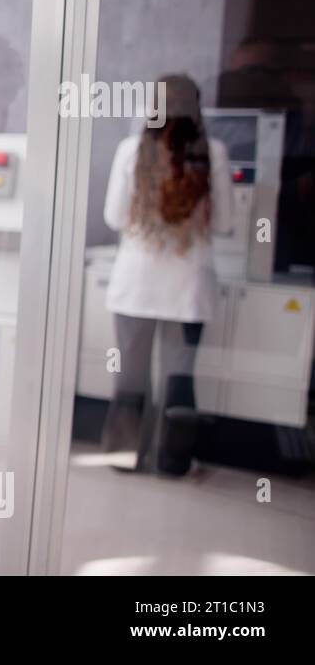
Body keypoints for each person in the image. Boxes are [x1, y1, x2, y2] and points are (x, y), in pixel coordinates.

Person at [101, 73, 233, 474]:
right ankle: (173, 463)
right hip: (188, 288)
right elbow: (225, 223)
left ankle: (122, 457)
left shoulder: (131, 151)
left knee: (130, 376)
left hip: (135, 285)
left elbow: (113, 216)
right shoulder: (214, 152)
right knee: (178, 380)